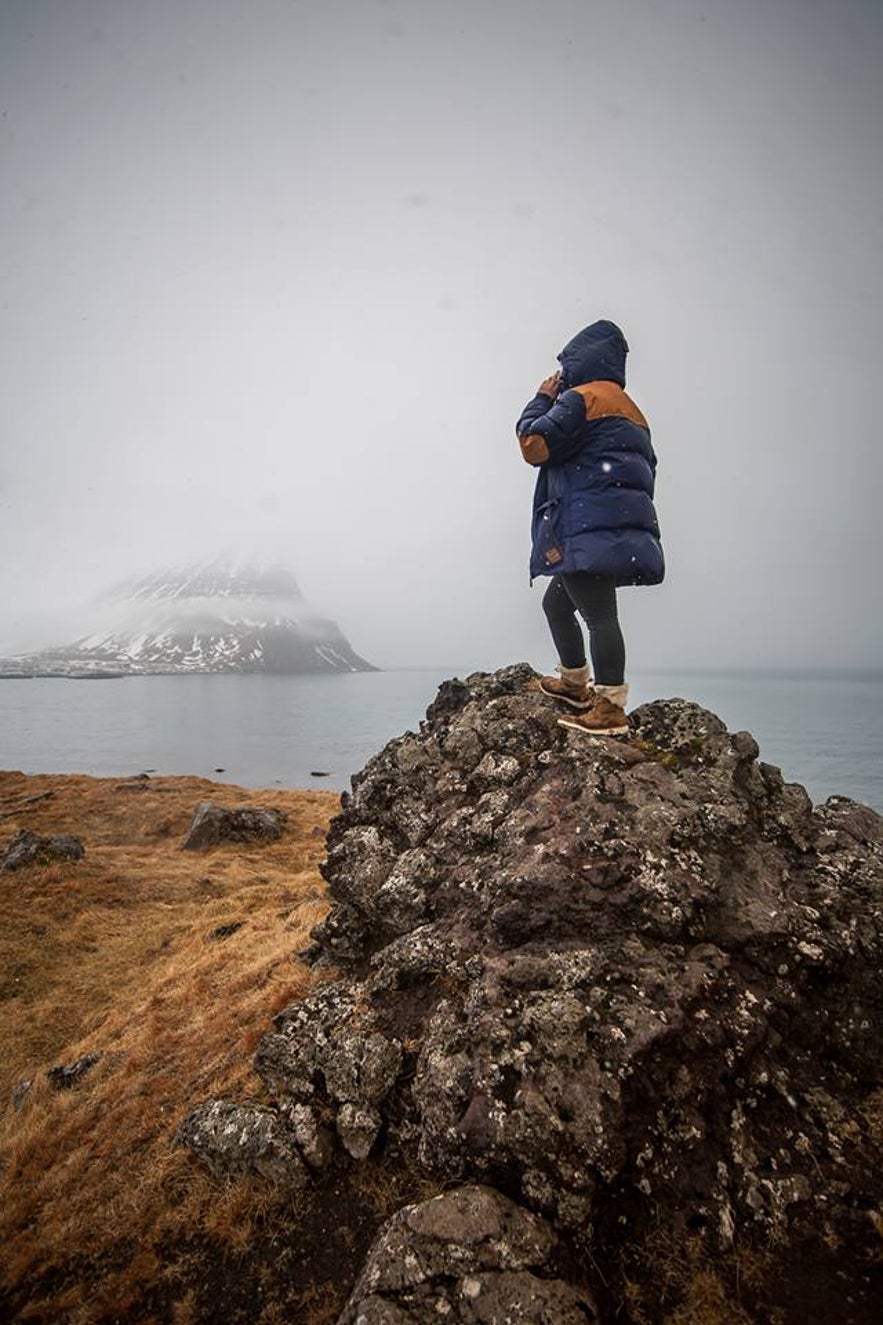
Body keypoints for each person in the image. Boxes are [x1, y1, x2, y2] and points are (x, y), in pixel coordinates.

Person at [516, 319, 664, 735]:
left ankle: (610, 705)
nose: (561, 374)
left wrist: (541, 398)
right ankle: (575, 684)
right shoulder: (631, 409)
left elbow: (534, 444)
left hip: (586, 524)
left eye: (564, 366)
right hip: (613, 523)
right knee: (557, 605)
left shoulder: (584, 398)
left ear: (580, 361)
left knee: (598, 614)